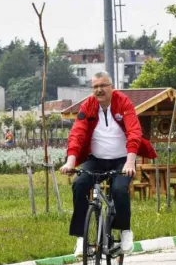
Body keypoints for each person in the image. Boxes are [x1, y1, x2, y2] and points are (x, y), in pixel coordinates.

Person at [60, 72, 156, 255]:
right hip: (96, 159)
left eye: (103, 85)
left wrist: (130, 162)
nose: (99, 90)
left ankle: (125, 231)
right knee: (79, 185)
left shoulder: (123, 102)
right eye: (95, 86)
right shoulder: (88, 105)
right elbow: (77, 134)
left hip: (122, 160)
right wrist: (70, 162)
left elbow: (134, 132)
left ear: (112, 87)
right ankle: (81, 237)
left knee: (119, 190)